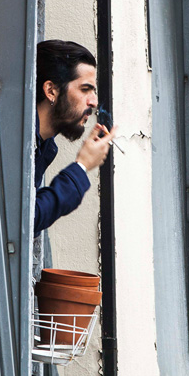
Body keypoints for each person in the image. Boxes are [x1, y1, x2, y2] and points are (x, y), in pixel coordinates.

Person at [33, 40, 117, 236]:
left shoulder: (43, 146)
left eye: (94, 91)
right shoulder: (14, 142)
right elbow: (26, 220)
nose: (94, 102)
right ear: (51, 91)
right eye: (85, 89)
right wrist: (82, 166)